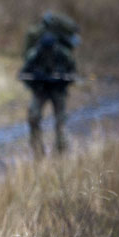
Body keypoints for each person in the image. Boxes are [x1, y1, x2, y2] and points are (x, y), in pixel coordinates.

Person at [20, 12, 79, 156]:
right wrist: (36, 80)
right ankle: (38, 152)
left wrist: (61, 80)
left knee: (61, 121)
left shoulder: (62, 54)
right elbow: (23, 74)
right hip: (40, 89)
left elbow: (72, 73)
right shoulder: (35, 54)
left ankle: (61, 151)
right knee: (33, 117)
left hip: (58, 89)